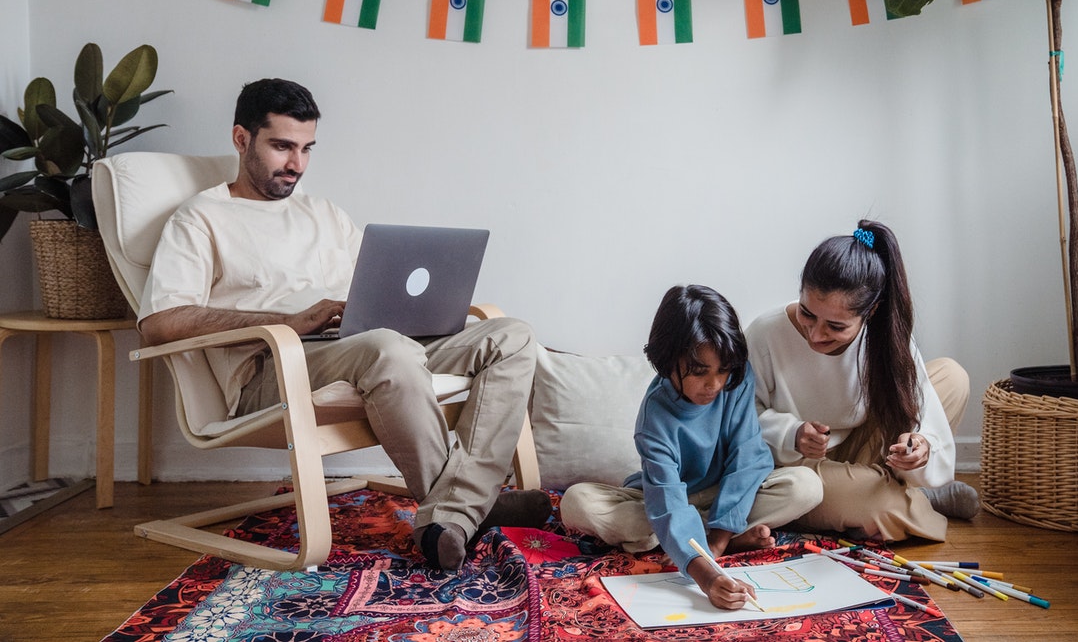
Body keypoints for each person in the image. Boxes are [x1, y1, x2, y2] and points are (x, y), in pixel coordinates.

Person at [137, 78, 549, 572]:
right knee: (388, 350)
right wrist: (287, 321)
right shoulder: (201, 218)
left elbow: (377, 289)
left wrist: (423, 311)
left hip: (364, 343)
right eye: (282, 146)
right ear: (241, 138)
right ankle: (472, 507)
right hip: (276, 366)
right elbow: (159, 323)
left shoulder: (323, 213)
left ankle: (456, 509)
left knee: (512, 335)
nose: (297, 164)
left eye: (307, 148)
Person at [561, 284, 822, 610]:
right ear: (668, 359)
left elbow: (748, 457)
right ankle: (690, 535)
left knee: (806, 486)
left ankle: (696, 536)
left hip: (722, 493)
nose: (714, 384)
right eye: (699, 372)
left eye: (722, 370)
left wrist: (716, 541)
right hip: (663, 497)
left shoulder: (737, 381)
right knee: (577, 503)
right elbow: (666, 498)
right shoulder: (656, 414)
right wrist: (709, 577)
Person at [746, 220, 977, 543]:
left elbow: (919, 410)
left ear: (871, 312)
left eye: (835, 327)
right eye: (807, 314)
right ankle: (912, 498)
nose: (815, 334)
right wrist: (791, 433)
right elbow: (735, 418)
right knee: (882, 506)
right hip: (797, 469)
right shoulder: (765, 334)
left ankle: (882, 494)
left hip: (862, 449)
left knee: (951, 377)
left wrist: (920, 448)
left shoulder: (883, 337)